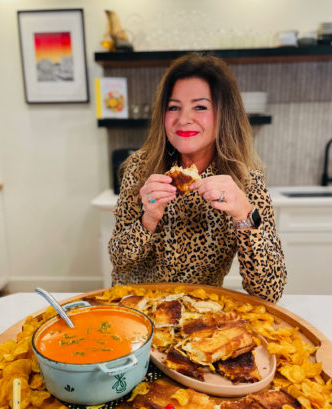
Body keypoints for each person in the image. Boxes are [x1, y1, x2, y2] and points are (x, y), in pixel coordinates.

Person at [109, 53, 287, 303]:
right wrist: (148, 219)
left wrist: (244, 214)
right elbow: (119, 258)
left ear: (223, 114)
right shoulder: (140, 168)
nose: (183, 119)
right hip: (135, 308)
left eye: (200, 107)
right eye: (173, 107)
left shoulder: (245, 182)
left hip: (199, 318)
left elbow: (269, 291)